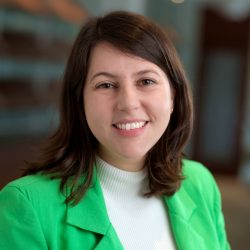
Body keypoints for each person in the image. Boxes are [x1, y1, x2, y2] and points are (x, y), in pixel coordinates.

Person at [0, 11, 230, 250]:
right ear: (80, 102)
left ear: (173, 95)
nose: (128, 103)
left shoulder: (199, 182)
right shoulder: (27, 206)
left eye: (146, 81)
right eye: (106, 85)